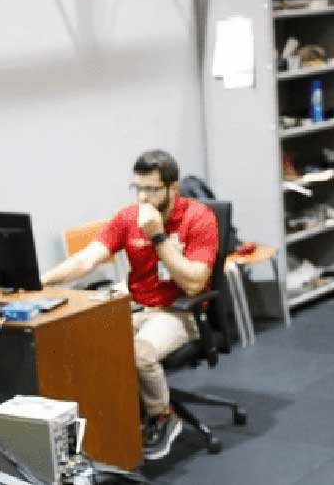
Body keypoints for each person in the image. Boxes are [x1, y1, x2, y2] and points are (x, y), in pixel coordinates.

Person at [41, 149, 217, 461]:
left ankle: (164, 417)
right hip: (135, 305)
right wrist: (42, 281)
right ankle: (113, 422)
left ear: (171, 189)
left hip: (179, 310)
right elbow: (87, 259)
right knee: (83, 340)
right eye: (138, 188)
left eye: (152, 189)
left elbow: (194, 282)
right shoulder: (127, 218)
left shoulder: (199, 219)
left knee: (139, 352)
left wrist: (158, 236)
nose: (143, 197)